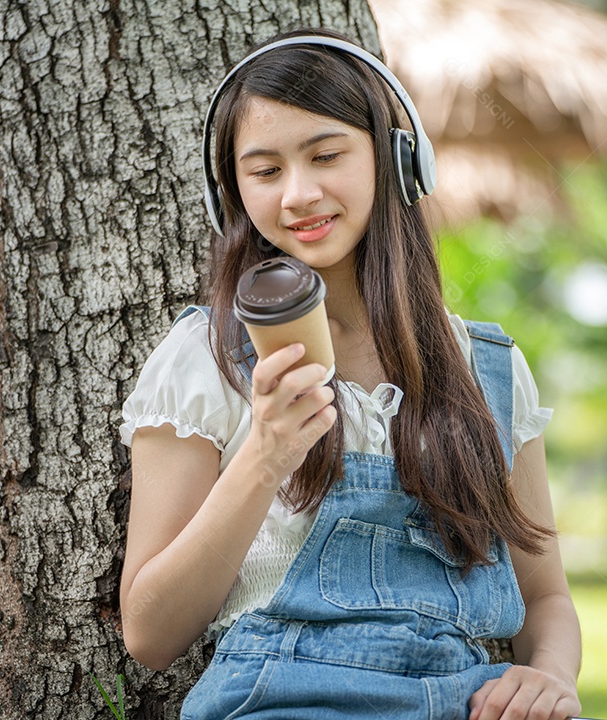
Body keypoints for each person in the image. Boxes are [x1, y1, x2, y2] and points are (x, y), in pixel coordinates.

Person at [118, 28, 583, 720]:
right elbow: (151, 635)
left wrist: (549, 677)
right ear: (232, 195)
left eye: (326, 155)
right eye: (266, 171)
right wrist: (265, 457)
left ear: (397, 162)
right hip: (278, 701)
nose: (299, 194)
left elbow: (544, 599)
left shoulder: (490, 371)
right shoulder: (205, 358)